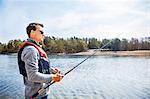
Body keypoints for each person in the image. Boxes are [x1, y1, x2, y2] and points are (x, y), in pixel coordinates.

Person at [18, 23, 63, 99]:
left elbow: (40, 65)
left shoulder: (35, 49)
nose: (44, 35)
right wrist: (53, 77)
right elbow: (32, 76)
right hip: (35, 96)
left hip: (42, 94)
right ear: (32, 32)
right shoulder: (31, 50)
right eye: (41, 32)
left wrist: (52, 70)